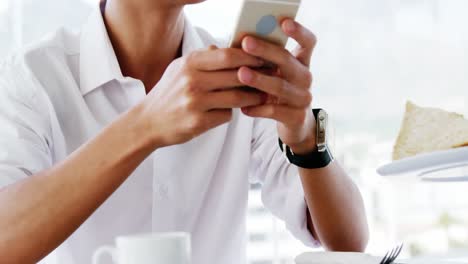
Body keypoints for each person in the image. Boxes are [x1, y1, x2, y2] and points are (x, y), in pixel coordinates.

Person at [0, 0, 369, 263]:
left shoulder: (238, 73)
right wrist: (144, 126)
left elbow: (348, 242)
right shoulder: (34, 77)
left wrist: (304, 135)